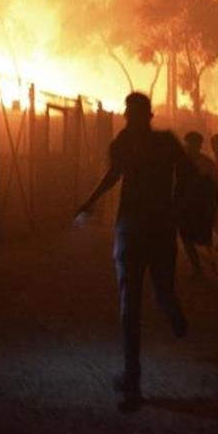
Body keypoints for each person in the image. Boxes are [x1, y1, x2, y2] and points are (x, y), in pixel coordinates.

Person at [76, 92, 188, 412]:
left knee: (130, 304)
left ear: (130, 115)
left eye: (128, 113)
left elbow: (113, 176)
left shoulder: (124, 143)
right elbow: (189, 174)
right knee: (162, 289)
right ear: (150, 115)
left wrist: (90, 200)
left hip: (132, 229)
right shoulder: (166, 142)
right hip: (159, 229)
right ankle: (172, 313)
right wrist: (176, 208)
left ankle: (133, 381)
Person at [177, 131, 218, 279]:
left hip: (199, 206)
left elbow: (214, 186)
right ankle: (201, 266)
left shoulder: (203, 163)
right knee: (189, 235)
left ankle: (203, 266)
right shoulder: (202, 163)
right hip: (190, 206)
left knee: (194, 235)